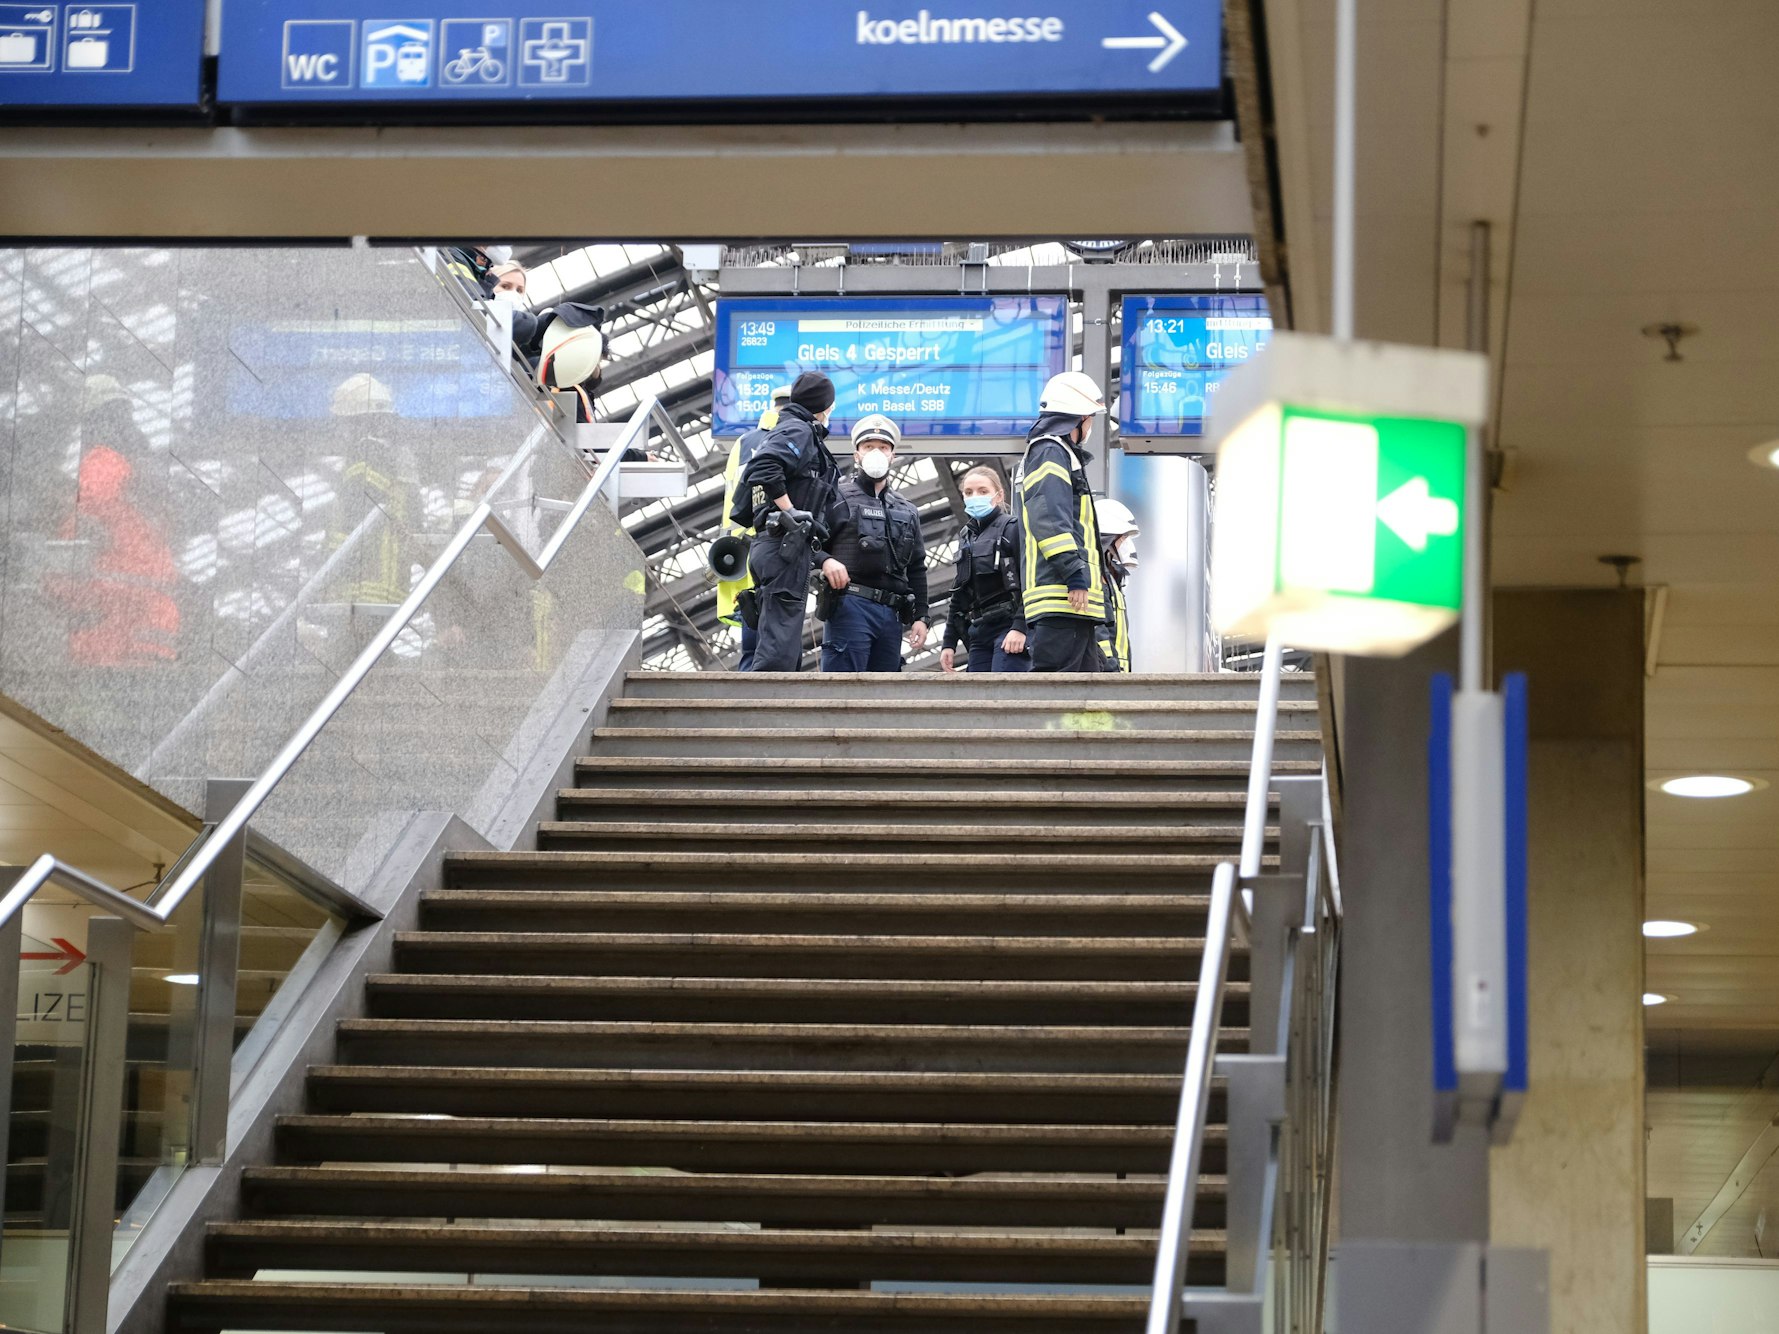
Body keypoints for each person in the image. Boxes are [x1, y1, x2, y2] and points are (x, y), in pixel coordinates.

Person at [729, 371, 842, 672]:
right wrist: (791, 511)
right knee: (777, 652)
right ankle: (765, 702)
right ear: (825, 405)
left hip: (777, 545)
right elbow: (764, 467)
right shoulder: (798, 429)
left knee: (781, 644)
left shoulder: (790, 428)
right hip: (783, 544)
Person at [816, 415, 929, 672]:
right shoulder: (836, 497)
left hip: (891, 615)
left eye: (883, 447)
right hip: (850, 606)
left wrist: (921, 616)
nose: (876, 452)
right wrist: (826, 561)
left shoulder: (907, 510)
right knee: (842, 687)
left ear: (892, 455)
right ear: (857, 455)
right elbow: (810, 544)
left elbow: (916, 567)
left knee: (884, 691)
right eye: (869, 446)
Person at [1016, 372, 1109, 673]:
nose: (1090, 425)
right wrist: (1074, 574)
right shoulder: (1050, 451)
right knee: (1055, 690)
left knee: (1085, 692)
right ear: (1078, 418)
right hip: (1059, 595)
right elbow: (1049, 517)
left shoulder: (1060, 453)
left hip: (1069, 601)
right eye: (1090, 418)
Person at [718, 384, 793, 671]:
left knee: (751, 649)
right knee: (775, 648)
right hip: (776, 551)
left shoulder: (743, 443)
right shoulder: (790, 440)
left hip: (741, 556)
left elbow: (731, 503)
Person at [940, 466, 1029, 673]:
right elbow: (960, 592)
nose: (975, 497)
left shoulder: (1013, 529)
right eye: (968, 492)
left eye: (983, 491)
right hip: (979, 633)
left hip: (1009, 627)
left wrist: (1020, 626)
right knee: (977, 691)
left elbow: (1031, 581)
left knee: (1003, 688)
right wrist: (949, 642)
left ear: (999, 495)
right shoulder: (966, 537)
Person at [1093, 496, 1139, 673]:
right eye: (1123, 536)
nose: (1124, 542)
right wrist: (1109, 664)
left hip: (1116, 669)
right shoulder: (1095, 573)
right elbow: (1099, 627)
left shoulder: (1109, 577)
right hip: (1105, 669)